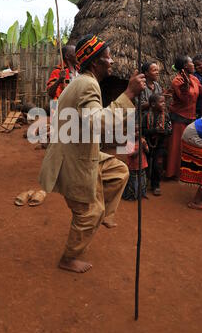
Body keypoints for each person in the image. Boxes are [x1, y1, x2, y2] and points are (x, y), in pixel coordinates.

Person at [39, 34, 146, 273]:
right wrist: (128, 94)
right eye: (108, 58)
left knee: (119, 170)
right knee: (88, 212)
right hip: (72, 159)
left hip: (81, 152)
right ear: (96, 62)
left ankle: (104, 214)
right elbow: (98, 123)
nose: (112, 61)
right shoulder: (87, 84)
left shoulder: (83, 81)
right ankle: (69, 258)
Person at [166, 55, 202, 179]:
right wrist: (185, 87)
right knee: (177, 147)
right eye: (192, 63)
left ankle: (186, 172)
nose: (194, 65)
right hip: (179, 117)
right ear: (186, 66)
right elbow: (184, 99)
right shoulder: (177, 81)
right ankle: (174, 173)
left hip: (190, 117)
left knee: (188, 146)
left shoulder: (194, 79)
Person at [143, 94, 172, 196]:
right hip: (146, 144)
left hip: (160, 145)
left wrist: (163, 132)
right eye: (161, 102)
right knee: (145, 165)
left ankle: (156, 185)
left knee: (156, 165)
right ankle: (144, 183)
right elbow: (143, 131)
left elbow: (170, 131)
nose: (164, 104)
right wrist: (154, 130)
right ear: (153, 104)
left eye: (164, 102)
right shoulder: (146, 116)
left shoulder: (166, 116)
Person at [122, 124, 149, 201]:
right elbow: (132, 155)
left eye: (138, 131)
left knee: (143, 180)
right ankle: (131, 195)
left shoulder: (142, 140)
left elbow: (147, 151)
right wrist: (140, 148)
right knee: (132, 181)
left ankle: (142, 194)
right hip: (133, 166)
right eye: (135, 131)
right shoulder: (129, 143)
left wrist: (144, 146)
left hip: (142, 164)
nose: (137, 133)